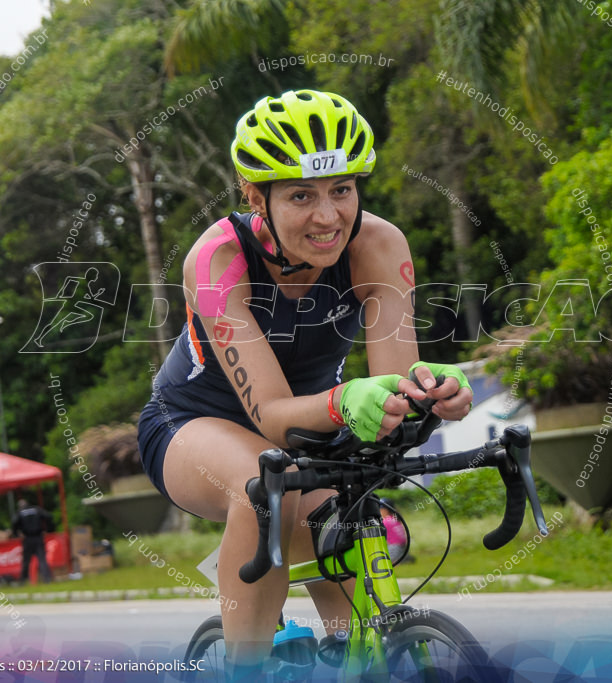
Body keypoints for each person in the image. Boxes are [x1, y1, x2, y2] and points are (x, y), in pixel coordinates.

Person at [137, 89, 473, 679]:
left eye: (341, 190)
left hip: (310, 426)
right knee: (265, 485)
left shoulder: (379, 244)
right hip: (193, 424)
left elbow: (397, 380)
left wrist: (434, 394)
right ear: (255, 197)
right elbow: (269, 413)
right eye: (300, 195)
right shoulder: (217, 259)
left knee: (350, 547)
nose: (327, 216)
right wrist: (348, 400)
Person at [10, 498, 53, 583]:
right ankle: (47, 578)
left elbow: (14, 522)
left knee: (26, 561)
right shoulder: (36, 509)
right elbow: (48, 516)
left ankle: (23, 580)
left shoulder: (20, 512)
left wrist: (16, 533)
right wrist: (47, 529)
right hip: (38, 537)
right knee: (42, 559)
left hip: (28, 538)